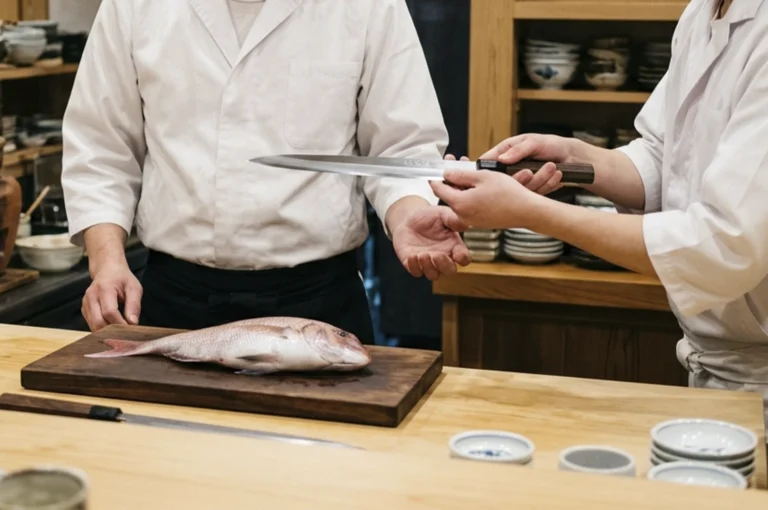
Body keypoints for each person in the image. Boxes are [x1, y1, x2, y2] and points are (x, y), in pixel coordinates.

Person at [432, 0, 768, 431]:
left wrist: (531, 213)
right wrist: (572, 155)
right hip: (717, 371)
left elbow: (723, 244)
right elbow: (662, 158)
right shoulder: (702, 12)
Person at [60, 0, 470, 343]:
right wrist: (108, 261)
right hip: (173, 301)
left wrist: (409, 213)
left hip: (319, 307)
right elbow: (100, 146)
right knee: (169, 440)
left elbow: (400, 148)